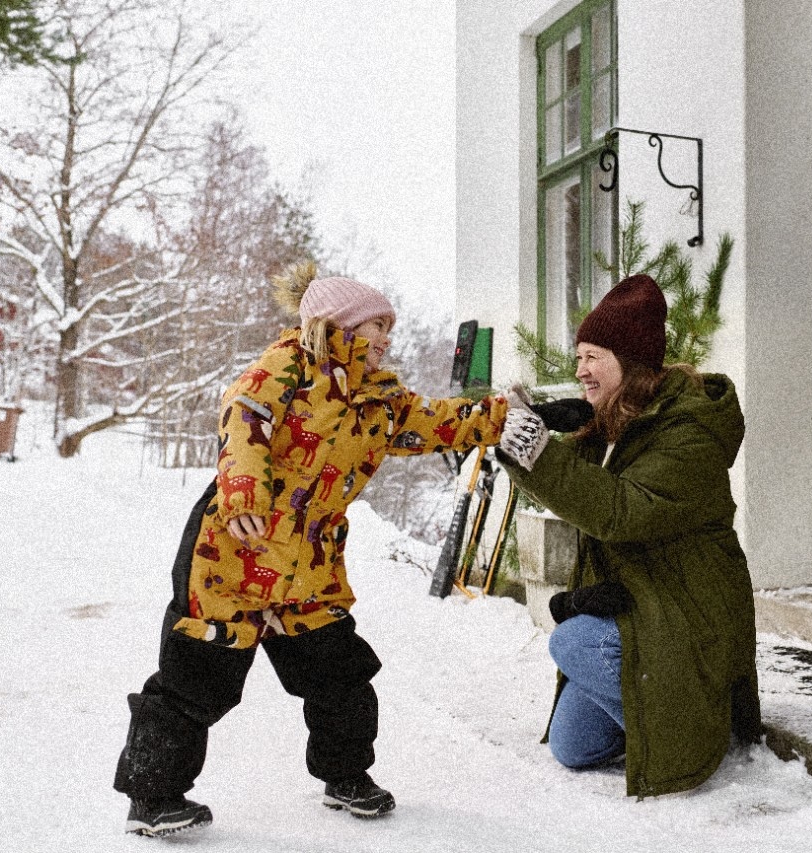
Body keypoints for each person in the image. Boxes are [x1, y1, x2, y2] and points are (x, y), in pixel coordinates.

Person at [113, 263, 547, 837]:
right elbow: (244, 418)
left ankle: (346, 778)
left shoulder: (379, 399)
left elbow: (436, 422)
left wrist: (504, 417)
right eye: (377, 326)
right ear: (338, 325)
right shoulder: (289, 364)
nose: (387, 338)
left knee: (338, 671)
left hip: (310, 559)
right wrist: (242, 492)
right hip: (235, 546)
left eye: (388, 327)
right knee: (198, 674)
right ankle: (152, 797)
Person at [500, 272, 764, 799]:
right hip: (644, 598)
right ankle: (657, 715)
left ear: (630, 358)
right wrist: (522, 436)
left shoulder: (689, 430)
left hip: (690, 607)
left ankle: (694, 724)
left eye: (591, 355)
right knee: (572, 746)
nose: (580, 370)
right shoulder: (617, 421)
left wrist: (538, 450)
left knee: (572, 640)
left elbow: (621, 512)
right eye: (578, 357)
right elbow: (561, 478)